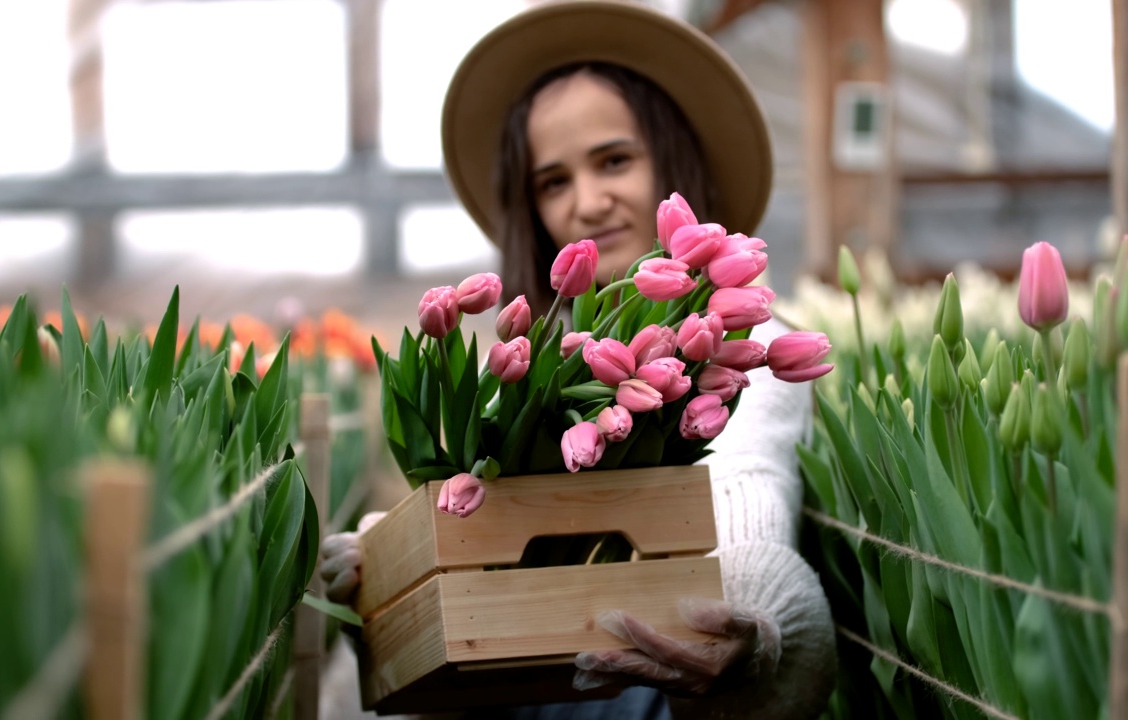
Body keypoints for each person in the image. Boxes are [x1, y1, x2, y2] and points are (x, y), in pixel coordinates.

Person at [320, 2, 837, 718]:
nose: (588, 203)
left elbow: (747, 478)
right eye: (553, 181)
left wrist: (748, 607)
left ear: (673, 161)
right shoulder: (534, 355)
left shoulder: (735, 344)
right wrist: (392, 566)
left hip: (653, 684)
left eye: (615, 160)